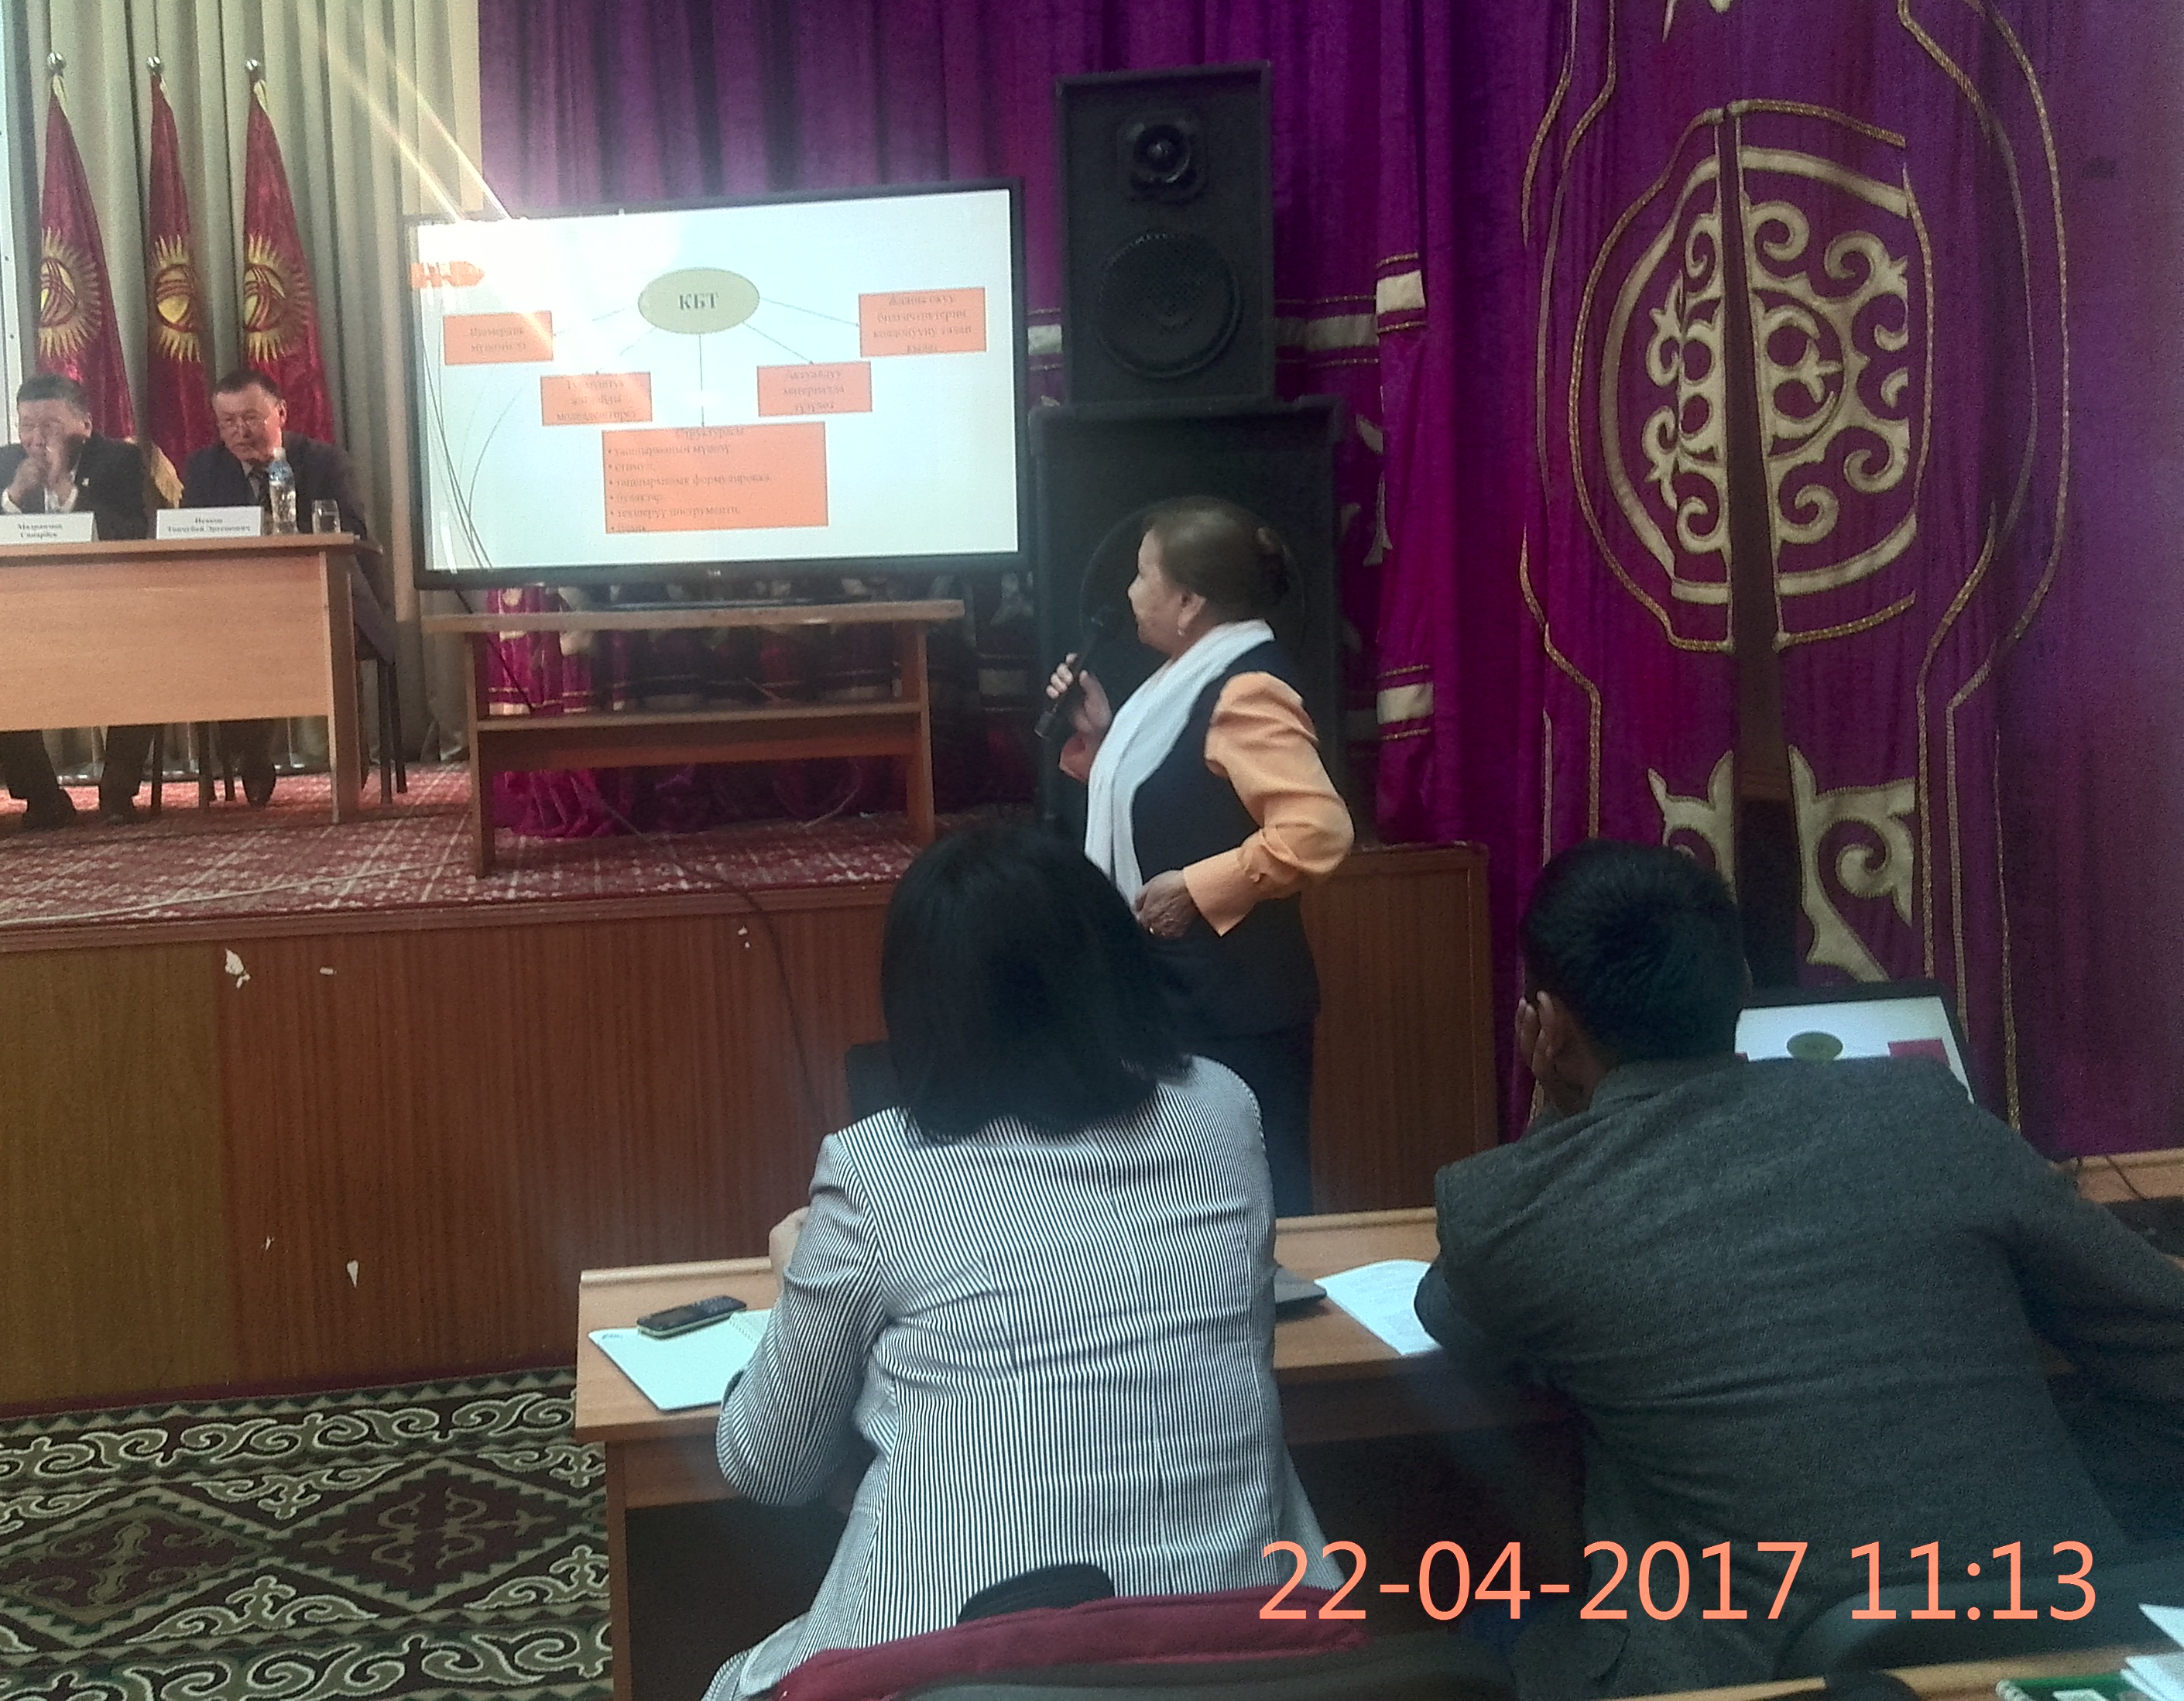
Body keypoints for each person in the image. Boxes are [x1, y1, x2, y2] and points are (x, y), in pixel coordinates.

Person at [1414, 839, 2184, 1700]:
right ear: (1744, 985)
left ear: (1548, 1027)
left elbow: (1454, 1317)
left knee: (1488, 1620)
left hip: (1753, 1679)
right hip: (2062, 1639)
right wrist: (2066, 1486)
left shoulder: (1514, 1210)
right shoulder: (1920, 1106)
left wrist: (1563, 1112)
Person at [707, 825, 1334, 1701]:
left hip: (943, 1665)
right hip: (1236, 1648)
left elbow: (770, 1466)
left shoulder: (874, 1172)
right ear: (1114, 964)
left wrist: (794, 1280)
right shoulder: (1222, 1113)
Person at [1045, 497, 1354, 1216]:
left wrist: (1199, 886)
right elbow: (1182, 796)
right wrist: (1104, 738)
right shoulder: (1183, 677)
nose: (1130, 593)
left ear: (1188, 602)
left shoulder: (1247, 689)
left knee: (1249, 1210)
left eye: (1143, 575)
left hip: (1233, 1011)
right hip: (1177, 997)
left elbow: (1318, 829)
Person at [181, 366, 392, 805]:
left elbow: (354, 531)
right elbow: (187, 539)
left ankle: (348, 760)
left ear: (280, 412)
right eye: (227, 422)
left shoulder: (323, 461)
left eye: (251, 418)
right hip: (238, 607)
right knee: (230, 638)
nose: (241, 432)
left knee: (328, 636)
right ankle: (252, 755)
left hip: (323, 602)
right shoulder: (204, 467)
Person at [0, 374, 153, 828]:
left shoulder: (119, 460)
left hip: (107, 610)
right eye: (27, 426)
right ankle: (43, 796)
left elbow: (132, 534)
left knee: (146, 655)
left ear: (84, 424)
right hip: (20, 615)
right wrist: (12, 497)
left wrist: (66, 489)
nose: (37, 439)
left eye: (51, 426)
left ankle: (117, 791)